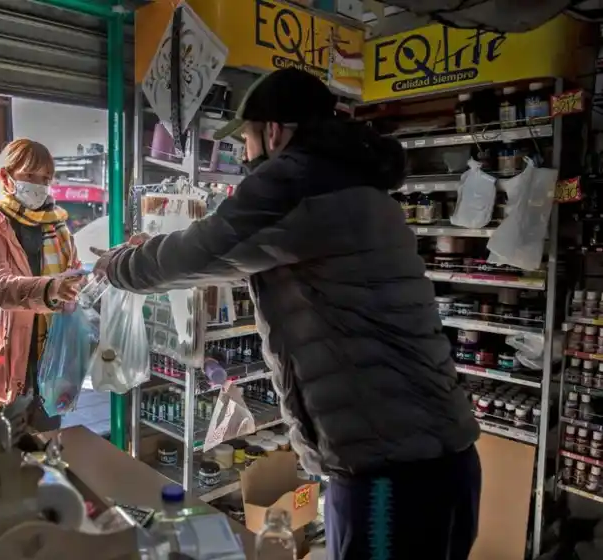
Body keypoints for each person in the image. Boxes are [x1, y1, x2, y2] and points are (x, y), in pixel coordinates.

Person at [94, 69, 482, 559]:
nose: (245, 153)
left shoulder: (293, 181)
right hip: (448, 456)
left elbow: (205, 249)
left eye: (247, 138)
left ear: (273, 131)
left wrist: (119, 266)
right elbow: (238, 250)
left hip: (386, 474)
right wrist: (153, 250)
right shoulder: (354, 184)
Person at [0, 138, 82, 429]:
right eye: (30, 175)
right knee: (2, 445)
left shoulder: (57, 226)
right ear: (5, 176)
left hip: (50, 358)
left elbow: (75, 272)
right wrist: (49, 288)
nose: (38, 185)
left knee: (46, 442)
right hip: (6, 358)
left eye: (45, 178)